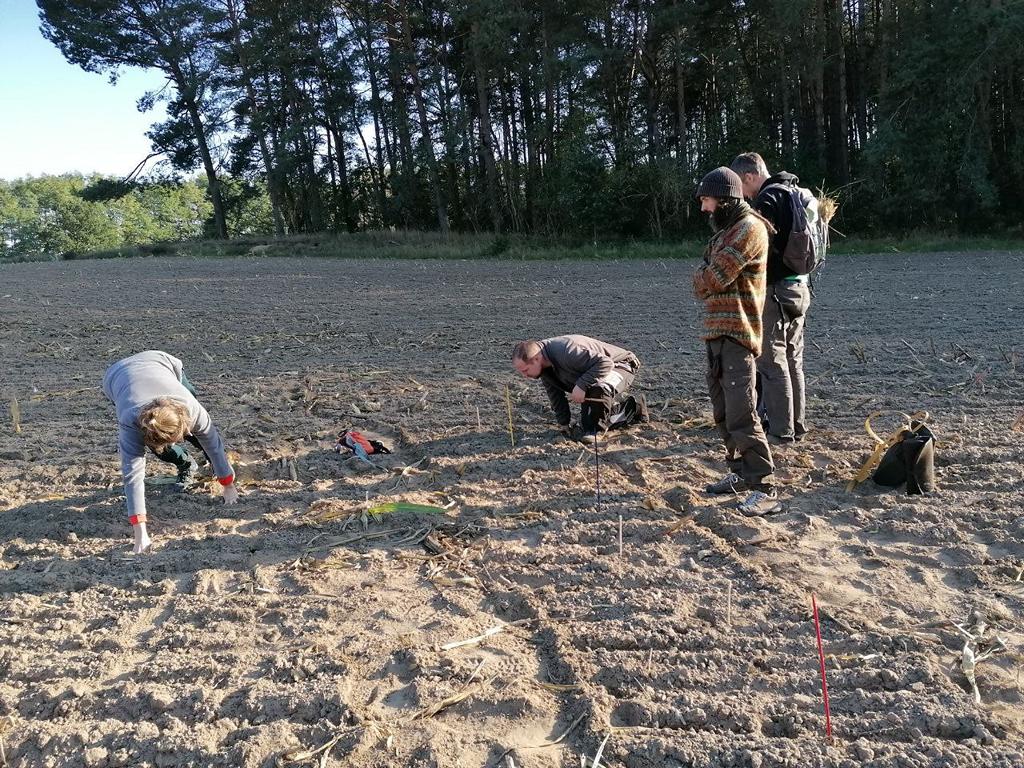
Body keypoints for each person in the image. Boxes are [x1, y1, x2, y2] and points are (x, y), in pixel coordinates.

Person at [692, 166, 780, 516]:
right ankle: (740, 473)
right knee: (723, 412)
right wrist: (705, 275)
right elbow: (701, 283)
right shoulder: (725, 233)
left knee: (742, 413)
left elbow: (713, 278)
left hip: (738, 334)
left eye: (707, 200)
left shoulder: (748, 228)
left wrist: (705, 274)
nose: (704, 208)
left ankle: (764, 486)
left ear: (725, 199)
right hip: (716, 333)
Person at [102, 351, 239, 554]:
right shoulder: (130, 421)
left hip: (161, 362)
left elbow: (213, 443)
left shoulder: (192, 409)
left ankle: (213, 466)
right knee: (157, 445)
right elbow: (132, 474)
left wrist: (227, 484)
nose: (180, 441)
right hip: (116, 377)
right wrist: (140, 532)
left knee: (201, 438)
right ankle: (185, 463)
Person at [730, 151, 811, 444]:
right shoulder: (795, 191)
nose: (744, 194)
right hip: (800, 287)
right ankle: (797, 426)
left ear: (750, 176)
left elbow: (754, 245)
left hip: (776, 290)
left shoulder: (767, 199)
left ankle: (781, 431)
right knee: (793, 360)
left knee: (772, 363)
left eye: (742, 186)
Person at [511, 335, 647, 443]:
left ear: (536, 359)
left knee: (598, 392)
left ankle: (628, 411)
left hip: (621, 365)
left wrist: (581, 385)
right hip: (594, 370)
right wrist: (564, 423)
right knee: (587, 421)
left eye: (525, 370)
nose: (524, 376)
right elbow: (555, 393)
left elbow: (605, 363)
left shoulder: (566, 352)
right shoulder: (543, 364)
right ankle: (612, 412)